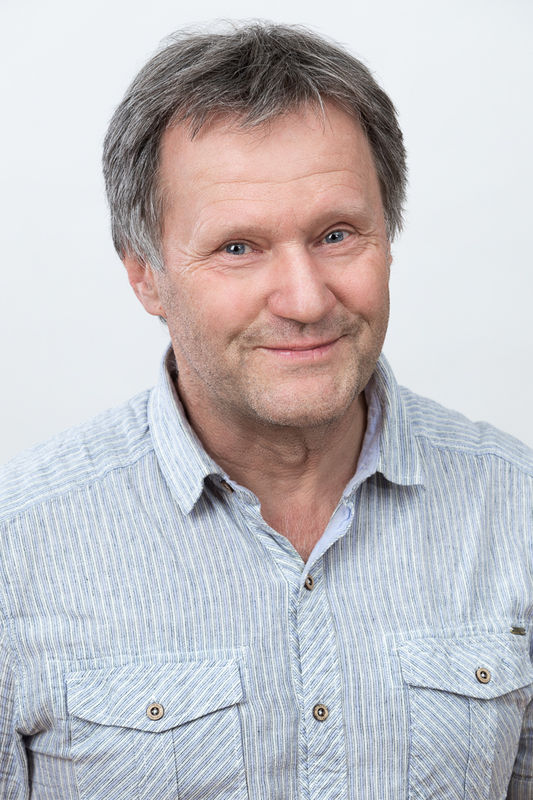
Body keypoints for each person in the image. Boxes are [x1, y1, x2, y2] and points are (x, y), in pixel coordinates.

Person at [0, 21, 531, 800]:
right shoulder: (18, 548)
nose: (305, 300)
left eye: (336, 234)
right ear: (144, 274)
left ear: (388, 237)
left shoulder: (516, 509)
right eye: (238, 248)